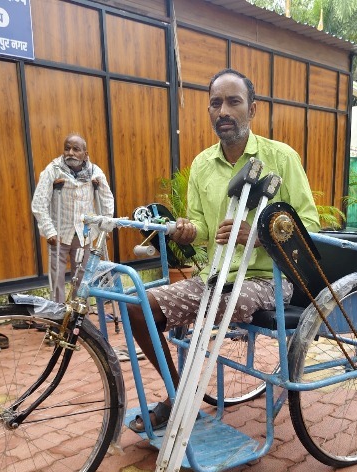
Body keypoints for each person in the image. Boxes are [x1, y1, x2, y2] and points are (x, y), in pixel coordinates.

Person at [125, 68, 320, 432]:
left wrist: (261, 235)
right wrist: (186, 231)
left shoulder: (282, 158)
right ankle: (179, 393)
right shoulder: (202, 164)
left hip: (266, 280)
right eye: (215, 103)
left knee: (220, 299)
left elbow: (310, 225)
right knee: (136, 308)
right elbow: (202, 230)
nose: (223, 111)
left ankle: (177, 403)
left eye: (234, 102)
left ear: (253, 109)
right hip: (213, 278)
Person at [31, 134, 115, 303]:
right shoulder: (53, 170)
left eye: (76, 149)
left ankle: (78, 313)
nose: (70, 152)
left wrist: (104, 227)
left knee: (81, 276)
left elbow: (107, 201)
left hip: (84, 234)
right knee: (57, 278)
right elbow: (39, 203)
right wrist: (49, 231)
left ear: (85, 153)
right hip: (60, 233)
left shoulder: (95, 173)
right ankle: (59, 313)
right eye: (67, 148)